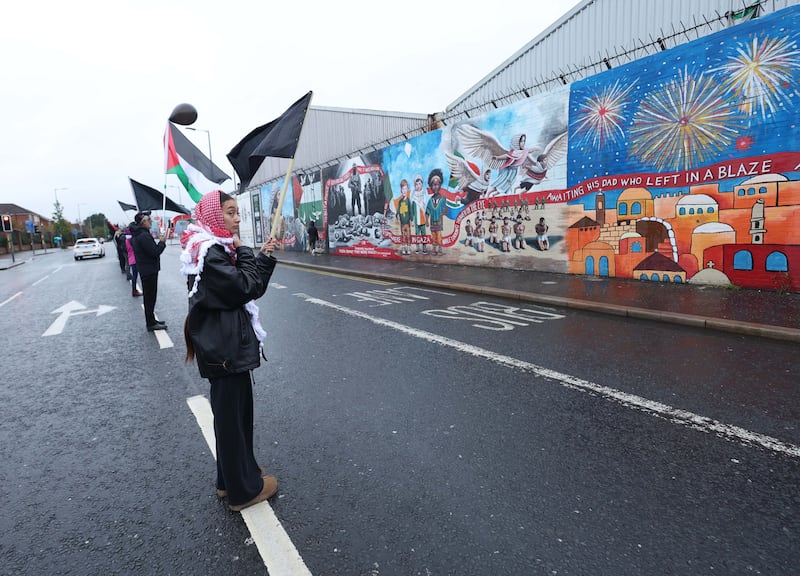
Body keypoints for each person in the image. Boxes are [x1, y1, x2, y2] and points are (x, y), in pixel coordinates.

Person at [180, 190, 279, 512]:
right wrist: (247, 251)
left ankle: (232, 478)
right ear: (213, 216)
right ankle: (242, 491)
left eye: (238, 212)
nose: (238, 219)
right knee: (232, 420)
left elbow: (248, 287)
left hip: (223, 347)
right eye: (231, 212)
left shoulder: (215, 250)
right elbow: (244, 287)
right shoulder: (211, 253)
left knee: (232, 418)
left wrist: (262, 257)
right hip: (224, 349)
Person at [130, 210, 167, 331]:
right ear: (143, 222)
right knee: (150, 297)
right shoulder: (144, 235)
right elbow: (155, 252)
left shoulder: (138, 234)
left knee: (149, 297)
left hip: (145, 269)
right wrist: (162, 242)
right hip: (149, 270)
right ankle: (151, 323)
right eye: (149, 220)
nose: (151, 221)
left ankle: (151, 320)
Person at [125, 224, 141, 297]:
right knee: (135, 276)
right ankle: (134, 290)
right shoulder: (132, 240)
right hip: (135, 259)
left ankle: (134, 290)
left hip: (131, 259)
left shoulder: (126, 240)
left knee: (135, 275)